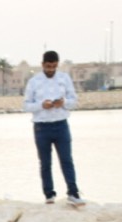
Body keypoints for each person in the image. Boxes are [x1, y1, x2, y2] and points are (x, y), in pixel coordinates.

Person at [23, 51, 85, 206]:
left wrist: (63, 102)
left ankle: (73, 192)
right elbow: (26, 105)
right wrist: (41, 105)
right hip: (41, 127)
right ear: (43, 64)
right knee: (45, 163)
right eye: (48, 66)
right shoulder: (34, 81)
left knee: (66, 160)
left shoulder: (64, 78)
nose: (51, 69)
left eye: (54, 66)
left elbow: (74, 101)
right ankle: (49, 194)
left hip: (61, 124)